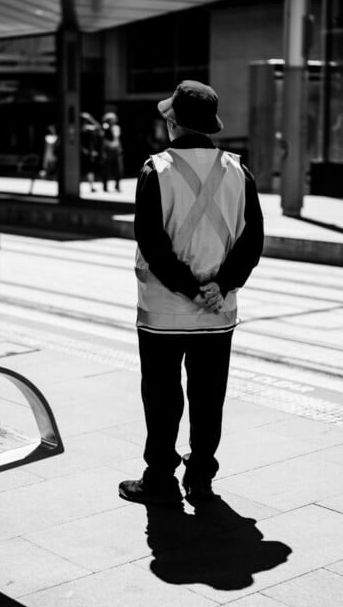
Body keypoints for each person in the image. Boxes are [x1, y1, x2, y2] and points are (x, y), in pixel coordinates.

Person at [119, 80, 264, 507]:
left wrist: (188, 289)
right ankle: (200, 475)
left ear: (173, 122)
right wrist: (220, 287)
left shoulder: (156, 168)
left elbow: (150, 241)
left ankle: (160, 476)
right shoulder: (240, 170)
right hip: (219, 313)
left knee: (162, 397)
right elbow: (252, 241)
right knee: (208, 396)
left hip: (162, 313)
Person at [100, 111, 124, 192]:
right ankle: (105, 186)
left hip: (116, 149)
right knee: (106, 169)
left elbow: (117, 139)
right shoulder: (105, 127)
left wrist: (120, 148)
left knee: (119, 169)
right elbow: (103, 140)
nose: (113, 120)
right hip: (108, 149)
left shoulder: (117, 127)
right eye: (111, 119)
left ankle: (117, 186)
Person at [80, 113, 102, 191]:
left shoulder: (87, 128)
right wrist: (90, 118)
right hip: (84, 152)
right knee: (87, 169)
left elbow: (99, 128)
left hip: (88, 152)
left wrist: (90, 118)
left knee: (89, 169)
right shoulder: (80, 128)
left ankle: (91, 186)